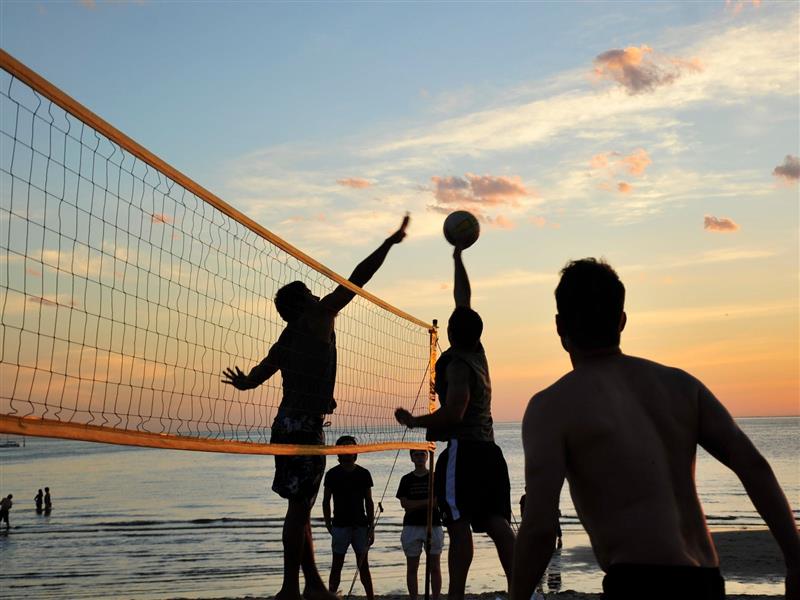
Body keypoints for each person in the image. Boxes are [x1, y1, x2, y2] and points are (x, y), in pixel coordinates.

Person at [510, 258, 800, 600]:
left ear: (559, 328)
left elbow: (541, 527)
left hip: (637, 582)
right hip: (705, 580)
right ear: (622, 321)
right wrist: (794, 561)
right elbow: (754, 467)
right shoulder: (681, 386)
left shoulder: (552, 406)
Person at [222, 214, 409, 600]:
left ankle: (313, 586)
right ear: (302, 304)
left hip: (285, 424)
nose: (315, 294)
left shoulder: (286, 337)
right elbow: (357, 278)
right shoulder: (318, 317)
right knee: (297, 511)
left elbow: (256, 377)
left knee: (301, 508)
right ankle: (292, 586)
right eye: (308, 292)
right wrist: (389, 244)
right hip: (304, 428)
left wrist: (243, 382)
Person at [395, 245, 515, 600]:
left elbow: (456, 411)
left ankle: (456, 596)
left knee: (459, 526)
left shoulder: (459, 363)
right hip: (490, 450)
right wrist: (458, 257)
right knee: (498, 524)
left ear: (450, 330)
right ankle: (521, 590)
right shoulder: (477, 350)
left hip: (464, 451)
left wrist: (414, 421)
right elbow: (464, 299)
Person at [322, 436, 375, 600]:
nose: (346, 452)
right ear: (338, 453)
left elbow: (369, 501)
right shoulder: (332, 474)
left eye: (349, 448)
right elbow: (326, 501)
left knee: (363, 566)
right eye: (343, 448)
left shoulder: (364, 473)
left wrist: (371, 526)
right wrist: (328, 524)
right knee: (336, 565)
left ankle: (371, 597)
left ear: (355, 452)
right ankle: (331, 595)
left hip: (360, 525)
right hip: (340, 525)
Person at [396, 449, 444, 600]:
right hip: (411, 526)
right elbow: (405, 504)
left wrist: (418, 504)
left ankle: (435, 597)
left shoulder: (435, 477)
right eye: (416, 454)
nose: (419, 457)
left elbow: (438, 501)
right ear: (411, 458)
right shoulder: (406, 479)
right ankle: (414, 598)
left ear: (427, 456)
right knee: (412, 567)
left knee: (435, 567)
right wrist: (427, 503)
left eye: (422, 454)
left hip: (434, 524)